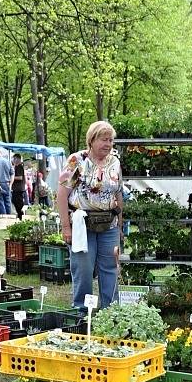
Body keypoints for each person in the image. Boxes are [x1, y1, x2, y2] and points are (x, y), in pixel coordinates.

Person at [57, 120, 123, 312]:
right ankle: (82, 312)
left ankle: (111, 312)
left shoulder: (114, 161)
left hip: (108, 224)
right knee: (83, 270)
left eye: (110, 140)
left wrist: (120, 225)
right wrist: (66, 227)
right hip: (81, 224)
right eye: (104, 140)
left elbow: (118, 194)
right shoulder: (77, 160)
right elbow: (62, 195)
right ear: (92, 140)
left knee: (110, 268)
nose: (108, 144)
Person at [11, 154, 26, 219]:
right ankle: (20, 215)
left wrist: (11, 178)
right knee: (15, 201)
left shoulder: (19, 167)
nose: (13, 160)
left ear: (17, 159)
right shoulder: (18, 167)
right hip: (18, 188)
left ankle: (21, 216)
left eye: (14, 159)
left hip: (18, 189)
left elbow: (20, 177)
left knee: (18, 203)